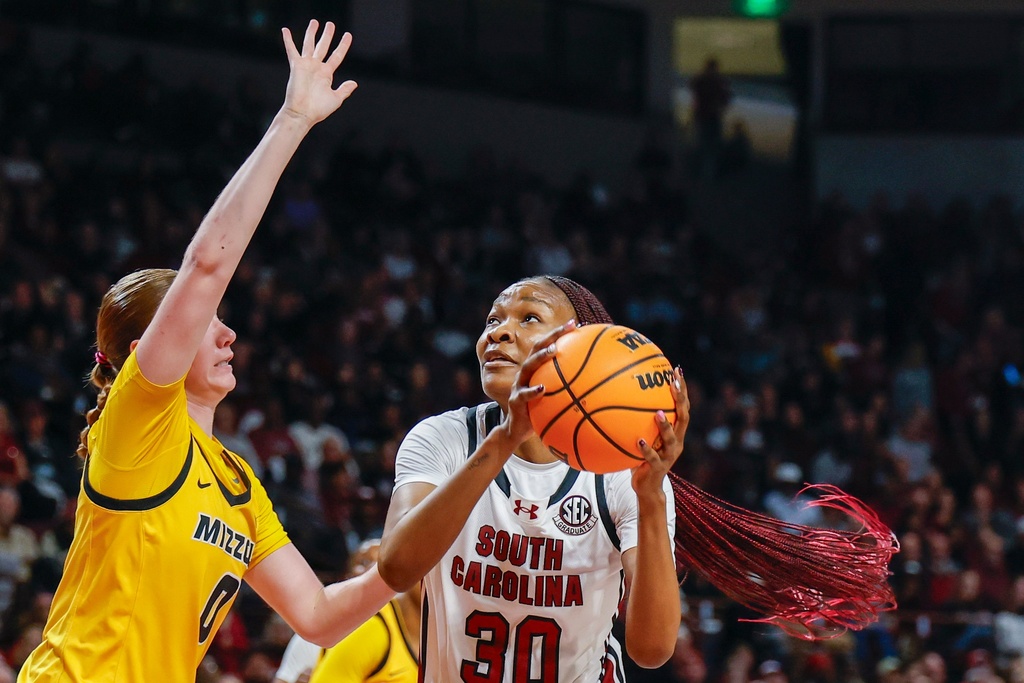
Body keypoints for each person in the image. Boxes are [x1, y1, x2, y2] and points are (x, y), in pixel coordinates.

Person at [19, 20, 393, 682]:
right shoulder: (138, 419)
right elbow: (204, 267)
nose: (227, 334)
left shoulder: (238, 483)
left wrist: (419, 554)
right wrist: (293, 121)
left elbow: (319, 614)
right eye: (205, 326)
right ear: (145, 351)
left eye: (223, 323)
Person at [378, 275, 690, 681]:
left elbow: (652, 650)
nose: (499, 332)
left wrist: (651, 500)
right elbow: (397, 569)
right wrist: (505, 440)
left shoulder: (620, 473)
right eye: (492, 320)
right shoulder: (444, 438)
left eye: (529, 318)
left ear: (576, 344)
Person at [277, 539, 420, 683]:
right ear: (347, 574)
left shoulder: (418, 629)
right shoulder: (312, 632)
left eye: (379, 563)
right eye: (365, 562)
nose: (373, 569)